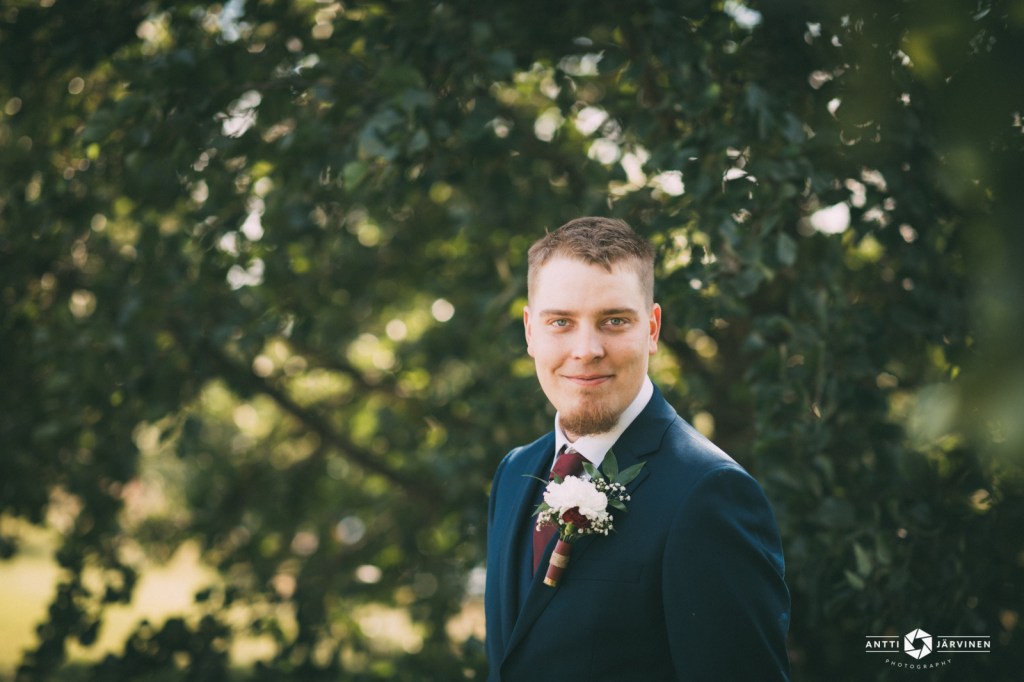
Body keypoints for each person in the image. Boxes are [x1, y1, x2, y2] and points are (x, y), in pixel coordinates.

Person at [484, 217, 791, 681]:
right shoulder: (514, 472)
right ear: (530, 332)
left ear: (651, 328)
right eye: (560, 322)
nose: (586, 349)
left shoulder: (710, 494)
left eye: (614, 321)